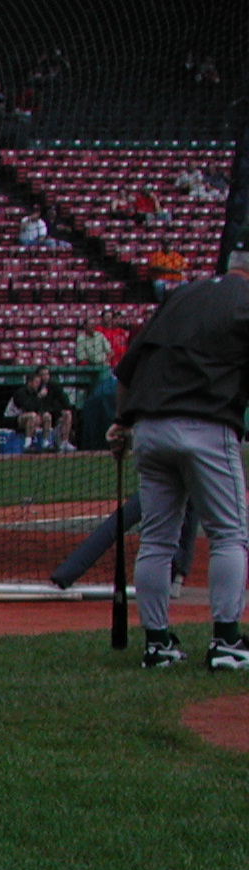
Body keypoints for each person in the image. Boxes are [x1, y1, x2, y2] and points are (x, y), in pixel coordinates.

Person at [109, 248, 249, 670]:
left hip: (149, 428)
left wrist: (121, 422)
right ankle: (226, 642)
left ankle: (157, 645)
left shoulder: (182, 294)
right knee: (229, 535)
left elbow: (127, 370)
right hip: (207, 425)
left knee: (156, 540)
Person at [5, 364, 75, 451]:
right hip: (13, 419)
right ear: (30, 382)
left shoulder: (48, 388)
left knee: (47, 416)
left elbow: (62, 402)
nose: (45, 377)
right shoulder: (21, 392)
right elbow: (29, 407)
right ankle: (28, 444)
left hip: (34, 417)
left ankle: (47, 443)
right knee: (32, 416)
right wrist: (39, 397)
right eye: (36, 382)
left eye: (47, 374)